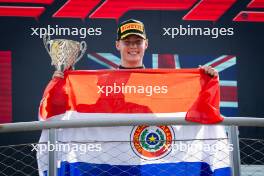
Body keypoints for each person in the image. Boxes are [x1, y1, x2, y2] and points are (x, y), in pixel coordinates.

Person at [53, 19, 218, 77]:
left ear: (146, 44)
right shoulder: (103, 81)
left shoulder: (159, 81)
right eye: (127, 41)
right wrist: (62, 82)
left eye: (138, 41)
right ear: (117, 45)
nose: (133, 46)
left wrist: (203, 78)